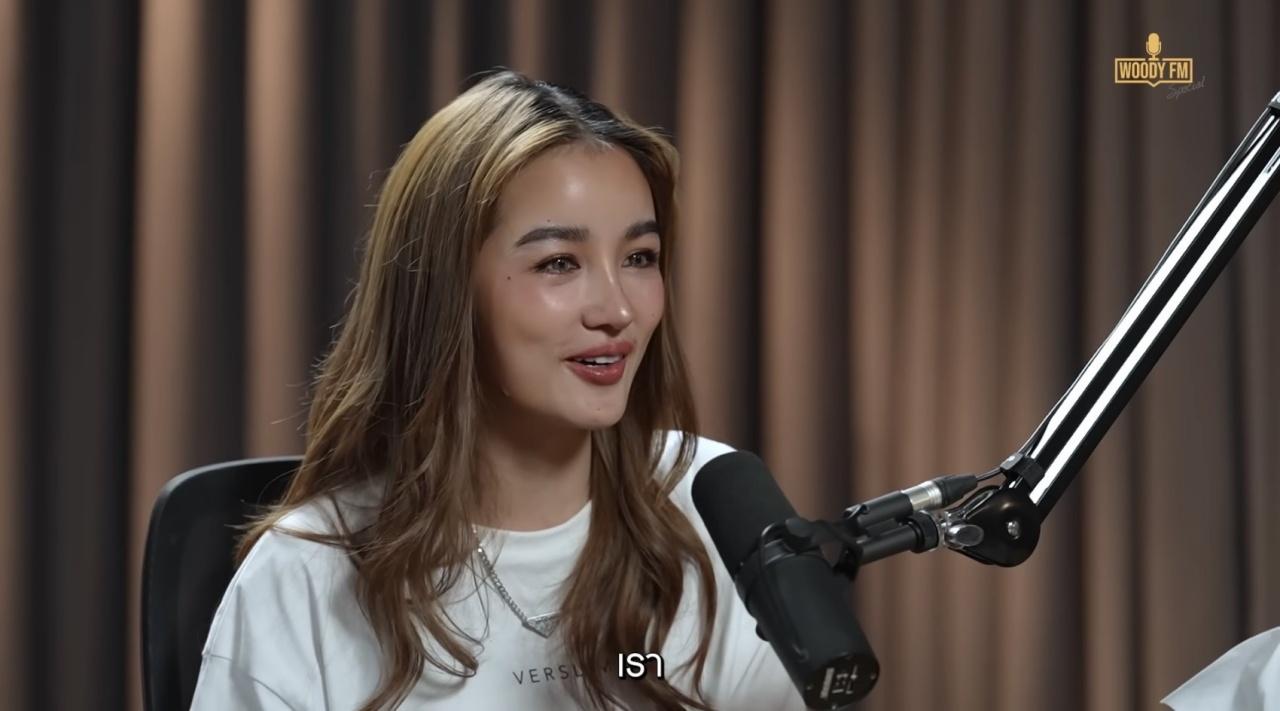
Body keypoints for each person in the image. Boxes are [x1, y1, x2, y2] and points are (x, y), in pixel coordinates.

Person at [189, 69, 805, 711]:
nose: (618, 310)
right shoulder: (304, 578)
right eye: (558, 263)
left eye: (639, 258)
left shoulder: (713, 507)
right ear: (445, 291)